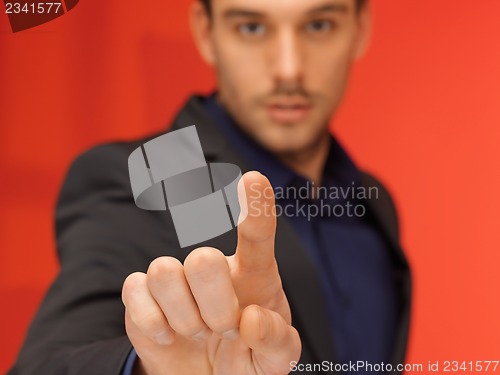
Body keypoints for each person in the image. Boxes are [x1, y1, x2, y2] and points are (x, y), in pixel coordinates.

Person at [9, 0, 411, 374]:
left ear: (360, 29)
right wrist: (152, 369)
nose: (289, 68)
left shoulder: (373, 203)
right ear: (206, 32)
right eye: (252, 27)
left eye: (319, 25)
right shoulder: (147, 175)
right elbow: (44, 364)